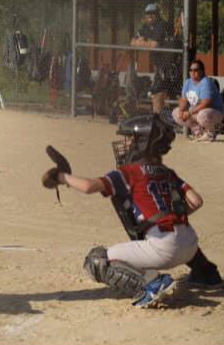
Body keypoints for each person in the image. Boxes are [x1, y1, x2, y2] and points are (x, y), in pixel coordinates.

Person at [44, 114, 206, 308]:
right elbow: (196, 201)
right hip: (191, 245)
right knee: (152, 243)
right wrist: (171, 217)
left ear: (142, 142)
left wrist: (61, 177)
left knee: (98, 261)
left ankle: (153, 284)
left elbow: (88, 186)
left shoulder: (130, 171)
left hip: (164, 248)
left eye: (130, 138)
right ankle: (207, 274)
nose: (126, 143)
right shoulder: (167, 172)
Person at [130, 3, 177, 114]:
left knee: (166, 93)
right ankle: (158, 117)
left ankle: (162, 117)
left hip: (170, 66)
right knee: (158, 92)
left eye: (152, 13)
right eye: (147, 13)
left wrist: (142, 42)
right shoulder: (145, 27)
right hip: (160, 66)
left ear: (157, 14)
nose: (149, 15)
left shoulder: (162, 25)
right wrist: (146, 42)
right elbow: (132, 42)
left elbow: (155, 45)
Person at [172, 59, 224, 142]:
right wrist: (181, 110)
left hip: (215, 113)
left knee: (202, 115)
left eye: (196, 70)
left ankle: (211, 133)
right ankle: (198, 132)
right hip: (197, 112)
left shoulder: (206, 82)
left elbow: (206, 103)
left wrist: (189, 112)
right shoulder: (188, 82)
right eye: (191, 70)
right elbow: (183, 100)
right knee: (176, 113)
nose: (193, 72)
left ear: (202, 71)